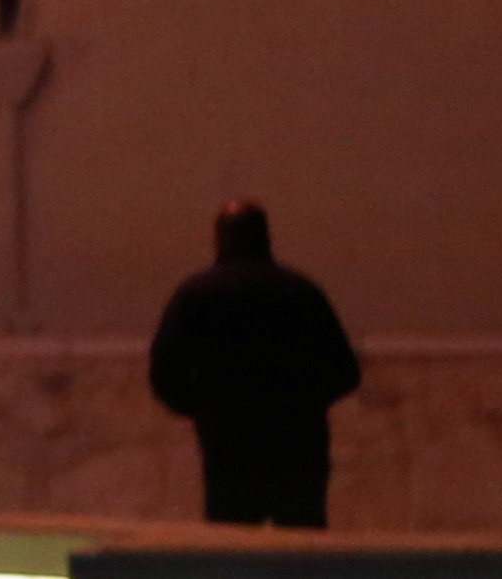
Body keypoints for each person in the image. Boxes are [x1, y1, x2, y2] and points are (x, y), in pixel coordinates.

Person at [149, 200, 363, 527]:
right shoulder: (301, 292)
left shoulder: (196, 295)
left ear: (218, 237)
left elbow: (164, 374)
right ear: (266, 236)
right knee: (300, 550)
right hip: (298, 443)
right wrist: (305, 403)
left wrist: (205, 408)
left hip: (228, 445)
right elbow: (345, 371)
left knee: (233, 550)